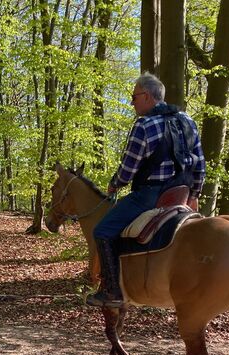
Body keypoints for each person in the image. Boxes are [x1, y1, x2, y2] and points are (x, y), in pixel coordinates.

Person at [86, 72, 206, 309]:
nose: (132, 102)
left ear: (148, 97)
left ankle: (112, 291)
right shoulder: (187, 120)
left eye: (134, 97)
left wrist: (115, 184)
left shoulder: (144, 125)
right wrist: (194, 194)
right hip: (181, 194)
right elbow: (200, 162)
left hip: (151, 196)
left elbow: (129, 168)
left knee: (102, 230)